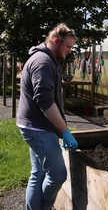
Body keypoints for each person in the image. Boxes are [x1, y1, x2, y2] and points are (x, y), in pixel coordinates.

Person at [16, 23, 78, 210]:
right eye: (67, 46)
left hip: (35, 126)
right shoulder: (43, 62)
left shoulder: (47, 59)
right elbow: (45, 101)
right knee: (58, 175)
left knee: (39, 174)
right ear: (56, 41)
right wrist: (64, 131)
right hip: (38, 129)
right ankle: (46, 206)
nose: (69, 51)